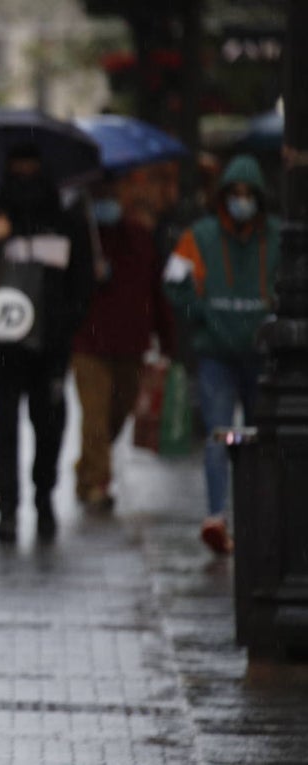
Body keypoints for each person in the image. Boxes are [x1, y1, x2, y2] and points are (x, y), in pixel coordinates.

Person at [0, 142, 94, 543]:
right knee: (5, 431)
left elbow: (81, 282)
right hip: (3, 349)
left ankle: (44, 498)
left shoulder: (68, 222)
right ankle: (8, 510)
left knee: (49, 425)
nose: (24, 175)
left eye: (30, 166)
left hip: (51, 348)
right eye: (16, 167)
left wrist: (64, 324)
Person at [163, 153, 280, 555]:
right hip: (217, 357)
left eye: (249, 194)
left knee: (258, 439)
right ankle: (217, 515)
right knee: (222, 435)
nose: (241, 201)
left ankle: (255, 517)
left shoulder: (278, 238)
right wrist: (204, 313)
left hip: (261, 360)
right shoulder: (200, 237)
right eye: (235, 194)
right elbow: (174, 283)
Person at [72, 174, 175, 511]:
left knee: (119, 412)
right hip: (89, 343)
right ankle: (96, 484)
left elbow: (155, 292)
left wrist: (167, 339)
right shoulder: (82, 239)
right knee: (96, 416)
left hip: (131, 344)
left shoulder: (139, 239)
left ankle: (88, 466)